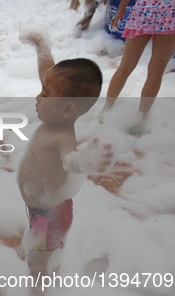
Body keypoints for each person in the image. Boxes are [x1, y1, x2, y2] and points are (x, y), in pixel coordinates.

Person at [18, 26, 114, 279]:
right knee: (38, 248)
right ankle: (42, 264)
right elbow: (48, 73)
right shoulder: (54, 117)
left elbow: (71, 161)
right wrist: (41, 44)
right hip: (40, 209)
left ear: (68, 110)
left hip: (51, 215)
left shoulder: (62, 136)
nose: (38, 96)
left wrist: (87, 159)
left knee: (40, 259)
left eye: (45, 94)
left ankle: (41, 290)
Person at [104, 0, 175, 133]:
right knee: (155, 72)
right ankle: (140, 120)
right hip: (174, 10)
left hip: (145, 9)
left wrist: (122, 7)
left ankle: (106, 111)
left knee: (125, 66)